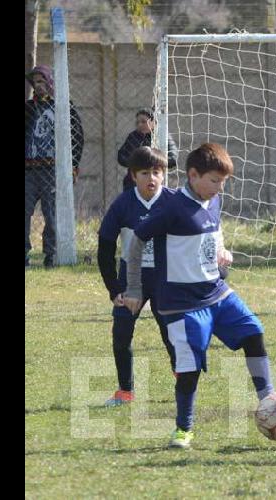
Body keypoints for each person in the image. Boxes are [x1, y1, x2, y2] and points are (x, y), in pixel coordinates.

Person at [122, 143, 275, 450]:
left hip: (216, 292)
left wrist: (221, 253)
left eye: (223, 182)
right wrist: (136, 288)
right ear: (193, 175)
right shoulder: (172, 207)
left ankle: (270, 403)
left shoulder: (212, 200)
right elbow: (136, 241)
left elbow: (213, 235)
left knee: (254, 333)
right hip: (181, 303)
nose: (219, 188)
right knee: (189, 366)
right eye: (214, 181)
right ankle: (183, 429)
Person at [97, 146, 176, 407]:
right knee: (121, 333)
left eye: (156, 172)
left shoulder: (173, 202)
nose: (151, 178)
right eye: (145, 173)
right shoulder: (123, 203)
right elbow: (105, 246)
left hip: (165, 278)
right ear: (133, 176)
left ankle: (182, 379)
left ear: (163, 175)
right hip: (131, 280)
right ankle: (125, 390)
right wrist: (113, 288)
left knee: (172, 333)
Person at [25, 64, 83, 268]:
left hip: (53, 170)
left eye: (41, 81)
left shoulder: (63, 106)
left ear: (49, 83)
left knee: (51, 214)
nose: (38, 86)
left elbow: (77, 137)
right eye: (35, 83)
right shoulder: (28, 108)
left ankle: (50, 254)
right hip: (29, 170)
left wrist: (73, 165)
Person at [117, 109, 179, 191]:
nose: (140, 125)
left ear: (154, 122)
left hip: (156, 182)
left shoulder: (163, 136)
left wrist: (152, 163)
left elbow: (173, 159)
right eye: (137, 122)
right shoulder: (133, 136)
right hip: (133, 183)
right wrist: (136, 163)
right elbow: (121, 156)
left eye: (143, 122)